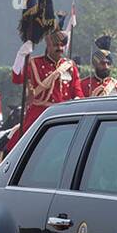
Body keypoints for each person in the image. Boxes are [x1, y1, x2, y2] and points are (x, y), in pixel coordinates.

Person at [11, 17, 82, 148]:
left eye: (62, 45)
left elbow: (77, 92)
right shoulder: (34, 64)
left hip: (65, 115)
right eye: (56, 45)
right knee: (16, 145)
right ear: (48, 45)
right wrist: (20, 56)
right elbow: (16, 79)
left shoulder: (70, 66)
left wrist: (77, 100)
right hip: (40, 116)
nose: (59, 48)